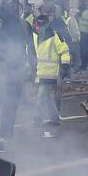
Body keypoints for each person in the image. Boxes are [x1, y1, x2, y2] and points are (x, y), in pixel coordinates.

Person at [0, 0, 34, 153]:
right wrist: (33, 71)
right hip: (15, 71)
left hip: (0, 69)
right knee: (10, 106)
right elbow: (31, 49)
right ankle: (2, 139)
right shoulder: (24, 25)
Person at [32, 8, 71, 137]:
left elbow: (64, 50)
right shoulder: (36, 36)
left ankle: (37, 118)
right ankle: (54, 119)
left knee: (41, 95)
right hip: (40, 72)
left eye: (40, 24)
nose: (38, 26)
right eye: (37, 23)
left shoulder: (54, 35)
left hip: (50, 72)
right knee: (47, 97)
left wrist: (65, 65)